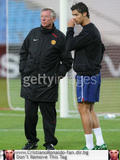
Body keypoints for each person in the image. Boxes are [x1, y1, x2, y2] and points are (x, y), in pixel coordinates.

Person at [19, 8, 72, 150]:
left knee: (48, 116)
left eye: (46, 17)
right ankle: (31, 141)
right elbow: (23, 52)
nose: (43, 19)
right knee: (30, 116)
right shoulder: (33, 33)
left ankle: (49, 143)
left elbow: (67, 61)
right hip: (30, 82)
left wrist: (57, 76)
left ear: (53, 19)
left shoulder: (59, 37)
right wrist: (23, 70)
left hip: (48, 84)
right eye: (42, 17)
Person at [66, 2, 107, 150]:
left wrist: (69, 28)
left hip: (86, 75)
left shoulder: (88, 32)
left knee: (83, 109)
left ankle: (89, 146)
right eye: (73, 15)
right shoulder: (92, 30)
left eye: (76, 15)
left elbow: (69, 45)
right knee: (89, 110)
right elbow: (102, 48)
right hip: (93, 74)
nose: (74, 18)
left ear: (84, 13)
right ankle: (100, 143)